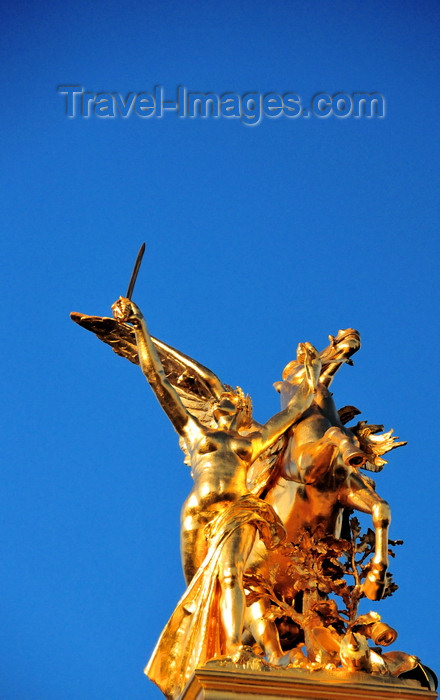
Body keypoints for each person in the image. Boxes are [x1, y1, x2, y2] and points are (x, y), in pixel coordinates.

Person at [112, 296, 321, 698]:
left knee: (230, 576)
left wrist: (311, 374)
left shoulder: (253, 443)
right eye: (222, 402)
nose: (225, 404)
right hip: (196, 515)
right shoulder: (197, 435)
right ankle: (203, 651)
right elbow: (158, 381)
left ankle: (235, 650)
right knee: (197, 593)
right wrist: (140, 331)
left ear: (240, 411)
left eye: (232, 403)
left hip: (237, 512)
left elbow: (293, 412)